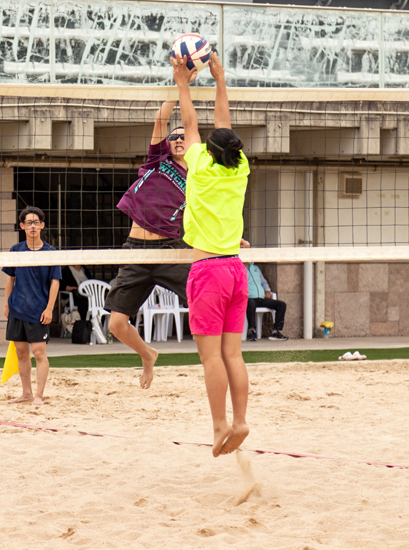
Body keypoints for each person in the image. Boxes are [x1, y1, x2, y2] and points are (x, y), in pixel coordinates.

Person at [174, 52, 252, 457]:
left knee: (210, 359)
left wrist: (182, 82)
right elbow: (223, 125)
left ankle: (220, 424)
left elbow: (191, 123)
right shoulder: (239, 169)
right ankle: (239, 420)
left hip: (207, 271)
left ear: (210, 149)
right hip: (237, 271)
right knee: (232, 353)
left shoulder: (200, 165)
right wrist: (220, 80)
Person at [104, 97, 194, 390]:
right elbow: (160, 121)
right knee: (116, 325)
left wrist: (233, 238)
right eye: (174, 136)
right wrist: (175, 91)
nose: (178, 139)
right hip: (137, 250)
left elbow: (209, 216)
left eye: (184, 136)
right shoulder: (158, 160)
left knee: (205, 302)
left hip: (171, 250)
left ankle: (226, 364)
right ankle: (148, 354)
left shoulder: (198, 178)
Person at [2, 206, 61, 406]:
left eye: (36, 222)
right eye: (29, 223)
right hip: (17, 307)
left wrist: (50, 308)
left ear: (42, 225)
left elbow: (55, 282)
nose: (33, 226)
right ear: (22, 226)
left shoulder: (51, 252)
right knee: (21, 352)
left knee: (38, 353)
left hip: (38, 310)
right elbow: (10, 279)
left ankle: (38, 396)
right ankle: (26, 393)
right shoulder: (16, 250)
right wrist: (6, 304)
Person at [245, 262, 289, 342]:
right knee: (250, 303)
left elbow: (263, 282)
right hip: (249, 298)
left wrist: (267, 290)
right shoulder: (239, 268)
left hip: (261, 298)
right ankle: (252, 331)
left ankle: (275, 331)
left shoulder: (256, 268)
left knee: (281, 305)